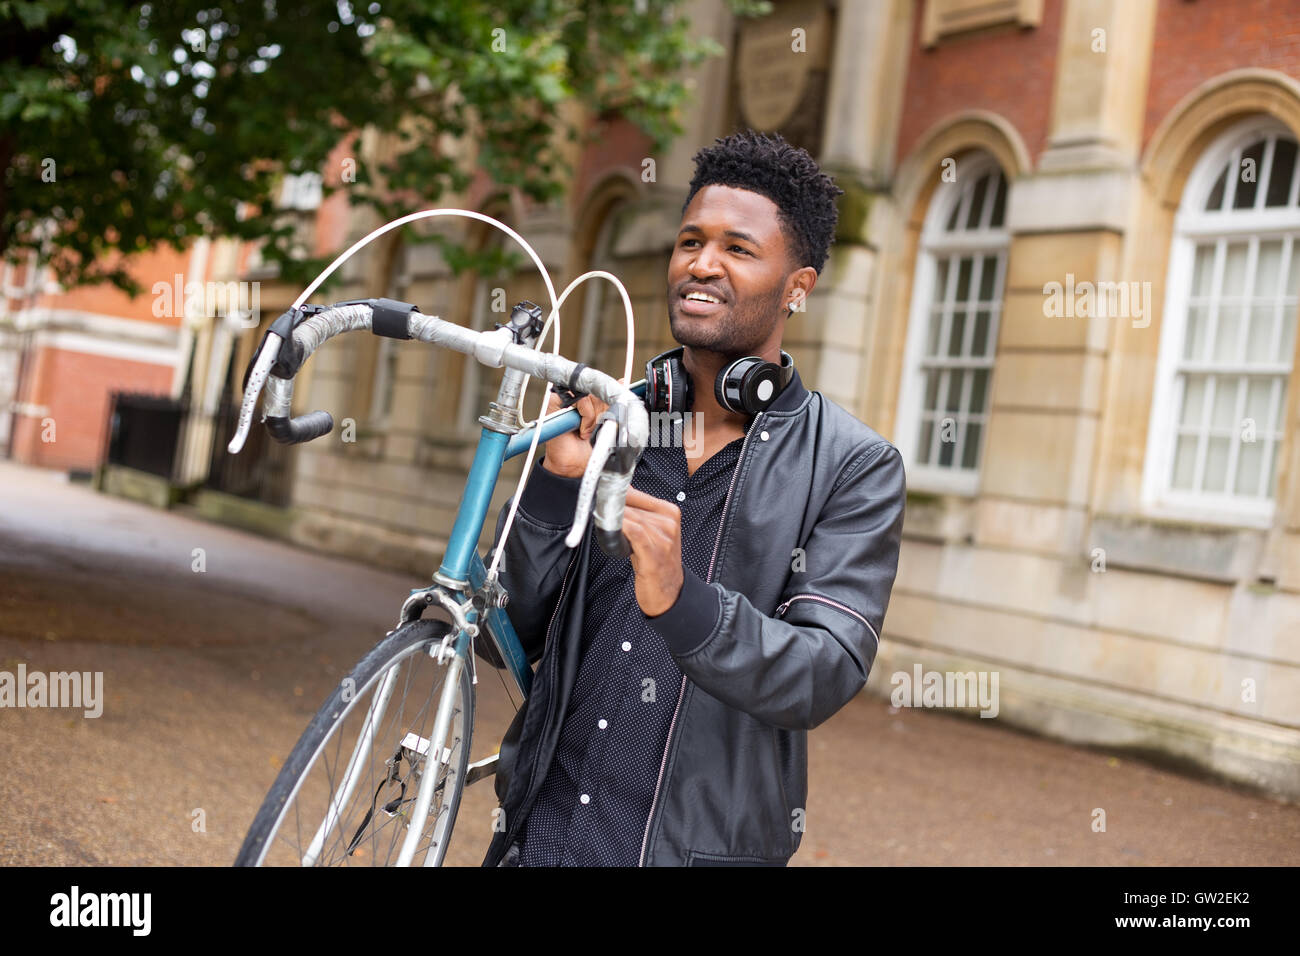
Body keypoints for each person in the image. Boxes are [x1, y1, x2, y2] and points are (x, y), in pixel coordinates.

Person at [478, 128, 906, 867]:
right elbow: (500, 633)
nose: (701, 264)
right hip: (536, 843)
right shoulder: (614, 423)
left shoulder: (854, 466)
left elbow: (822, 672)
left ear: (797, 287)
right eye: (689, 242)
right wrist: (553, 484)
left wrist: (683, 603)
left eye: (737, 249)